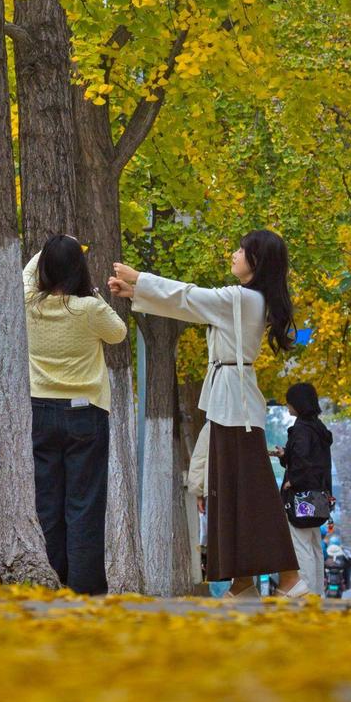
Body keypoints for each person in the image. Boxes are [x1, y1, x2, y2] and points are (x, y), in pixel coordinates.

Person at [109, 229, 306, 598]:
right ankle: (243, 581)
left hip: (237, 407)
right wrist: (137, 292)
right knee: (231, 492)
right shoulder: (243, 300)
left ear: (256, 261)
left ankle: (291, 578)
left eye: (241, 250)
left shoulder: (243, 299)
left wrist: (140, 280)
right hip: (229, 401)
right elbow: (189, 304)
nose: (233, 254)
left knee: (252, 493)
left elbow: (189, 297)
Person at [24, 235, 127, 595]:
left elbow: (27, 275)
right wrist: (93, 289)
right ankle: (84, 586)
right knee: (84, 502)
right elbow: (118, 333)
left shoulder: (28, 305)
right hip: (86, 412)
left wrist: (48, 250)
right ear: (78, 270)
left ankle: (52, 580)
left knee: (47, 502)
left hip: (40, 410)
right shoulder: (90, 308)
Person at [272, 382, 332, 596]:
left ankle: (307, 592)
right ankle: (317, 593)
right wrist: (285, 455)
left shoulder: (301, 430)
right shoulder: (318, 427)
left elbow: (304, 461)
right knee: (315, 544)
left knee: (301, 544)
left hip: (301, 496)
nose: (287, 406)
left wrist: (292, 481)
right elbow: (317, 462)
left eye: (289, 401)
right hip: (317, 495)